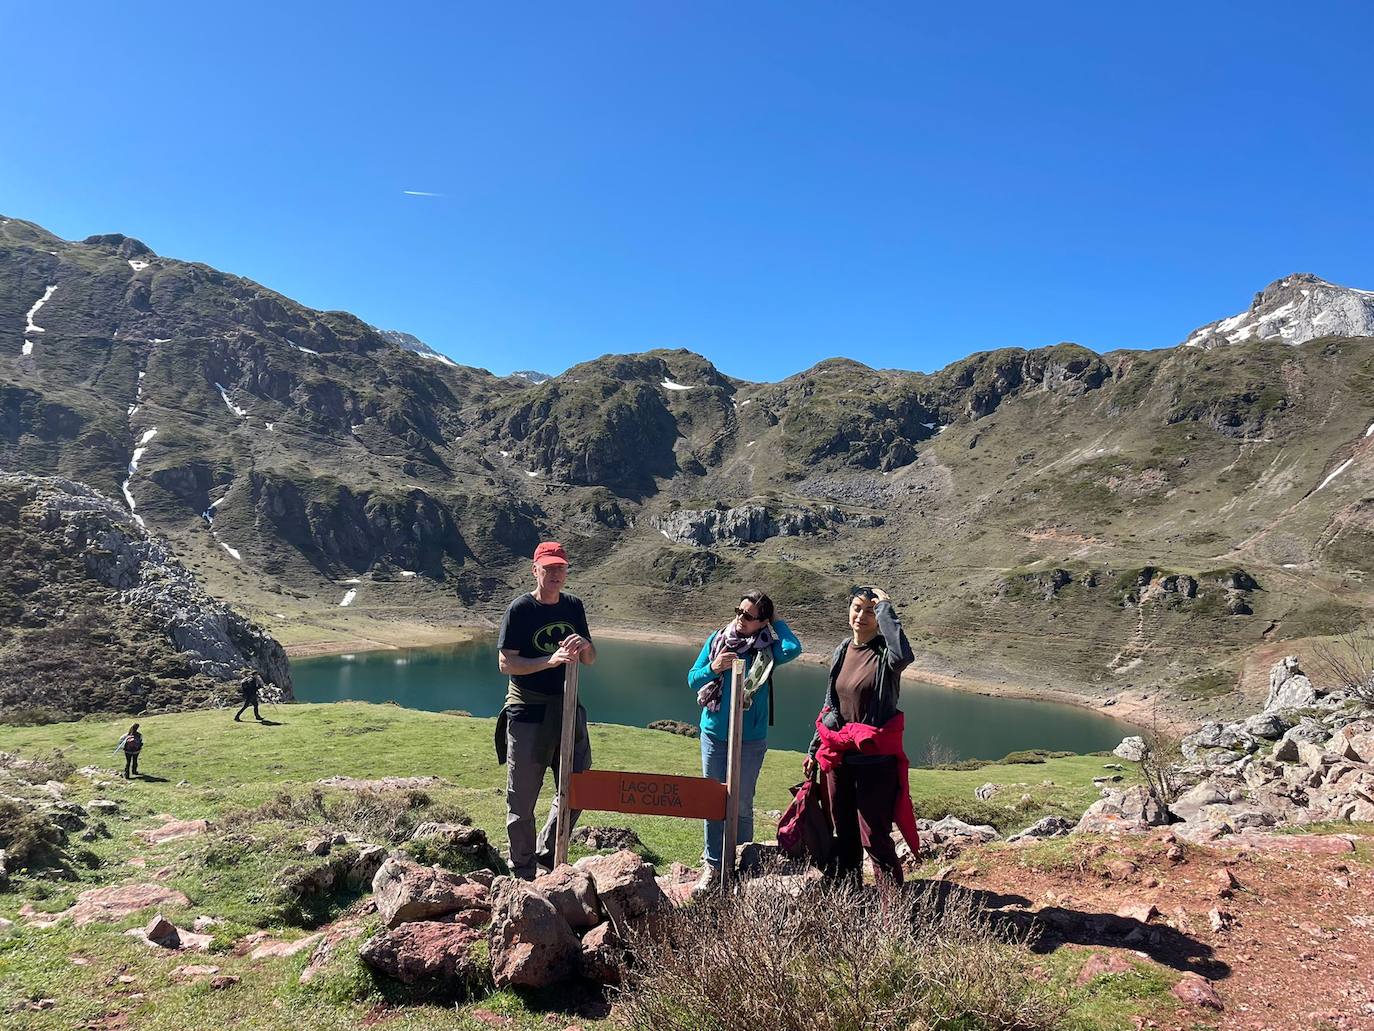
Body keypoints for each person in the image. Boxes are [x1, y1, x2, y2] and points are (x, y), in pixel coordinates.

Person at [687, 591, 801, 893]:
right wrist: (714, 668)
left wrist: (777, 620)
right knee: (713, 801)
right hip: (714, 736)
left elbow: (794, 647)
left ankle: (742, 863)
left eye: (749, 616)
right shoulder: (718, 640)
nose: (740, 618)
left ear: (763, 622)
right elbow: (693, 679)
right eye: (739, 611)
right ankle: (713, 865)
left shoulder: (768, 650)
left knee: (742, 803)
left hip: (750, 740)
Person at [804, 587, 919, 887]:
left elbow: (903, 656)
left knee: (875, 837)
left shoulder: (885, 653)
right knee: (844, 833)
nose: (861, 616)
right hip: (840, 758)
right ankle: (850, 899)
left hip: (874, 761)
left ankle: (893, 907)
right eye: (857, 608)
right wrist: (814, 748)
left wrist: (885, 606)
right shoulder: (843, 649)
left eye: (870, 611)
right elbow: (830, 705)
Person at [496, 541, 597, 879]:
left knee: (578, 785)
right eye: (549, 567)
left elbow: (590, 658)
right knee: (522, 797)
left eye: (561, 568)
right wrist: (549, 660)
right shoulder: (520, 609)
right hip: (527, 711)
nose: (555, 573)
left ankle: (547, 851)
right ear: (535, 570)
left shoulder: (573, 606)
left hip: (568, 708)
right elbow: (505, 663)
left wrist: (584, 645)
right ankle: (523, 869)